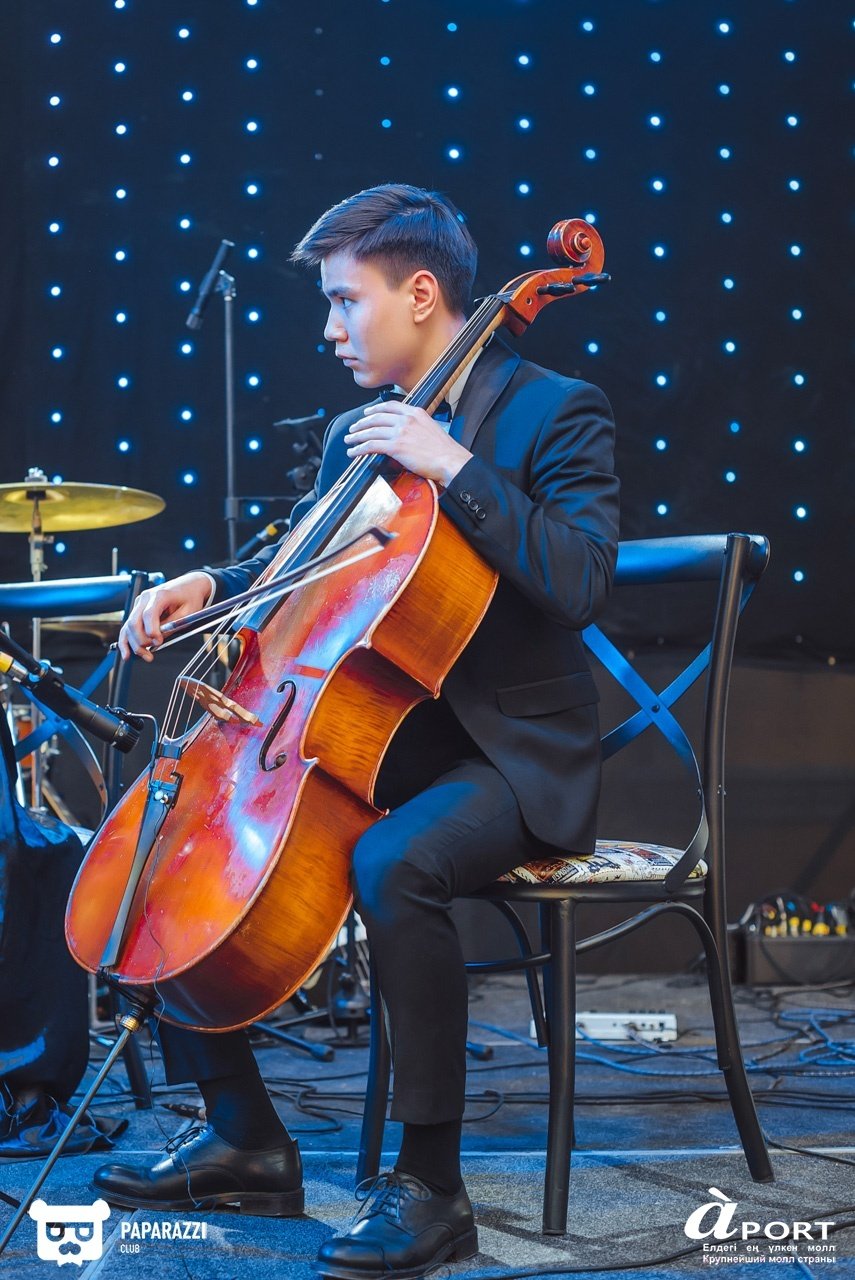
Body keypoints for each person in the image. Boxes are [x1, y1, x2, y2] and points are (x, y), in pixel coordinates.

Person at [93, 183, 620, 1279]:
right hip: (382, 732)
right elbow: (301, 562)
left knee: (393, 862)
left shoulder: (555, 409)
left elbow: (580, 579)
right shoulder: (358, 435)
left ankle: (432, 1186)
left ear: (420, 293)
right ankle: (243, 1135)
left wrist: (454, 466)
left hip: (506, 754)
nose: (331, 328)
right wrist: (212, 582)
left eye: (345, 301)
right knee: (170, 836)